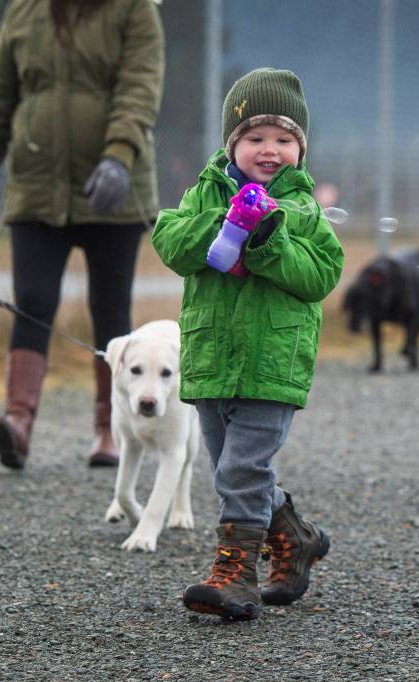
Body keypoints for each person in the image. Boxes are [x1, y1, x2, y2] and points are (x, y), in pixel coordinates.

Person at [151, 68, 344, 620]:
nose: (270, 150)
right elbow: (171, 239)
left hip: (270, 366)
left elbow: (319, 275)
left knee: (242, 470)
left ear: (300, 150)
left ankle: (236, 575)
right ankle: (296, 536)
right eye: (255, 138)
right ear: (231, 144)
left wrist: (266, 238)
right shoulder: (202, 195)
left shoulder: (304, 213)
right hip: (212, 358)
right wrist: (224, 222)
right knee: (231, 470)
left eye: (285, 140)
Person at [0, 0, 164, 470]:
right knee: (32, 300)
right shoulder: (24, 9)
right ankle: (17, 423)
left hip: (115, 185)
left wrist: (118, 157)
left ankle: (110, 431)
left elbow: (140, 88)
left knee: (110, 306)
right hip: (38, 184)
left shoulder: (135, 9)